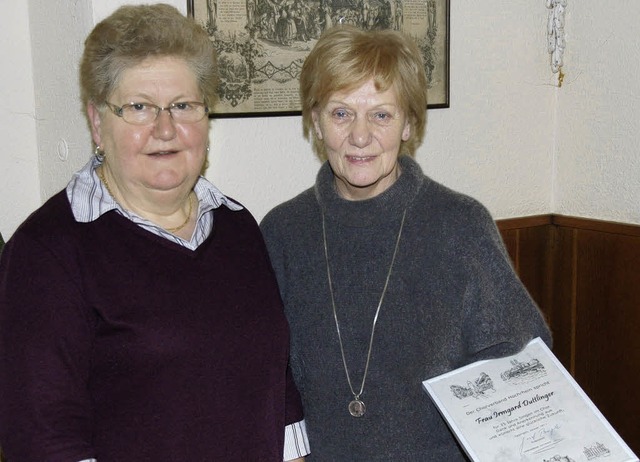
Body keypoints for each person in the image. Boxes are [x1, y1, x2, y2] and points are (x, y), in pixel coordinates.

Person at [0, 4, 308, 461]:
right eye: (139, 107)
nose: (165, 129)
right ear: (97, 122)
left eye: (183, 106)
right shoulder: (49, 252)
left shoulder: (236, 225)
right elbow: (43, 439)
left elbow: (275, 387)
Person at [260, 25, 552, 460]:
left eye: (381, 114)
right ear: (316, 122)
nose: (360, 136)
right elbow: (267, 377)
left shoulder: (460, 226)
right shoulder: (283, 232)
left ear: (409, 123)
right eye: (341, 113)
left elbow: (520, 363)